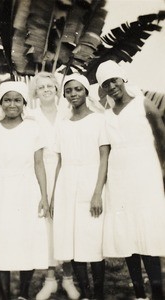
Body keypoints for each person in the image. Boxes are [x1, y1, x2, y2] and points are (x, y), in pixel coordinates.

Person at [96, 60, 165, 300]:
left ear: (122, 78)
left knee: (147, 234)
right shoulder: (106, 115)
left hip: (145, 174)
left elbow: (162, 137)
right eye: (106, 83)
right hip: (118, 178)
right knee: (127, 235)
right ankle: (139, 294)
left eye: (114, 80)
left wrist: (163, 170)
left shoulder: (143, 104)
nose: (111, 86)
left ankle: (157, 293)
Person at [0, 81, 49, 300]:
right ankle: (5, 296)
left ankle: (23, 294)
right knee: (0, 241)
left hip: (26, 189)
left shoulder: (33, 128)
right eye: (7, 99)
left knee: (27, 240)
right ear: (1, 103)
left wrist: (44, 196)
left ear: (24, 103)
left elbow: (39, 164)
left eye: (17, 100)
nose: (12, 104)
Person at [51, 73, 110, 300]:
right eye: (69, 90)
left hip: (90, 180)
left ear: (86, 91)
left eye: (78, 89)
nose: (73, 94)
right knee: (72, 240)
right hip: (67, 183)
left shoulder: (98, 120)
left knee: (92, 240)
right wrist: (56, 194)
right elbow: (59, 161)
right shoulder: (63, 124)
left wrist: (97, 193)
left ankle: (99, 294)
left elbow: (104, 157)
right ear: (64, 94)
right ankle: (85, 294)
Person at [29, 72, 80, 300]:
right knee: (46, 227)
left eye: (51, 86)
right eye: (42, 87)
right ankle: (50, 280)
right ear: (35, 92)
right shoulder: (30, 116)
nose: (47, 90)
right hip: (39, 174)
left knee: (64, 224)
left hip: (66, 170)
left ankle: (68, 279)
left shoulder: (68, 112)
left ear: (57, 90)